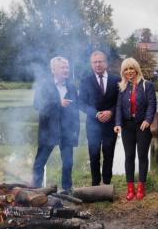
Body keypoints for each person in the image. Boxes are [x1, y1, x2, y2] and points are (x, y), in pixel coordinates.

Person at [32, 56, 79, 194]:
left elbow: (75, 109)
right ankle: (35, 189)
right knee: (40, 161)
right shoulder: (44, 85)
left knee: (68, 162)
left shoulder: (71, 85)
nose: (66, 70)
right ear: (53, 70)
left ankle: (67, 189)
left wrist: (76, 130)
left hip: (67, 130)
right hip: (48, 130)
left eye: (67, 67)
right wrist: (58, 103)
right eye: (62, 67)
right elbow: (37, 105)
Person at [114, 58, 157, 200]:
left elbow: (152, 104)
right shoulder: (122, 87)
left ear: (136, 69)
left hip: (142, 126)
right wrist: (118, 123)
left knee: (142, 156)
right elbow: (119, 107)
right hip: (127, 126)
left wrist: (148, 120)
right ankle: (130, 188)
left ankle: (141, 187)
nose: (129, 72)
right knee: (129, 156)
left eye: (131, 68)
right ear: (123, 72)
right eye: (126, 69)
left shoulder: (147, 85)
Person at [79, 51, 120, 186]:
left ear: (106, 63)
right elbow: (82, 103)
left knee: (109, 154)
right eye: (95, 62)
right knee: (94, 154)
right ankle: (95, 183)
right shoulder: (85, 81)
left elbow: (120, 101)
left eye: (100, 61)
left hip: (110, 124)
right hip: (93, 124)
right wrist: (96, 114)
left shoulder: (116, 80)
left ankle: (107, 182)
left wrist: (111, 112)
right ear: (91, 64)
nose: (98, 64)